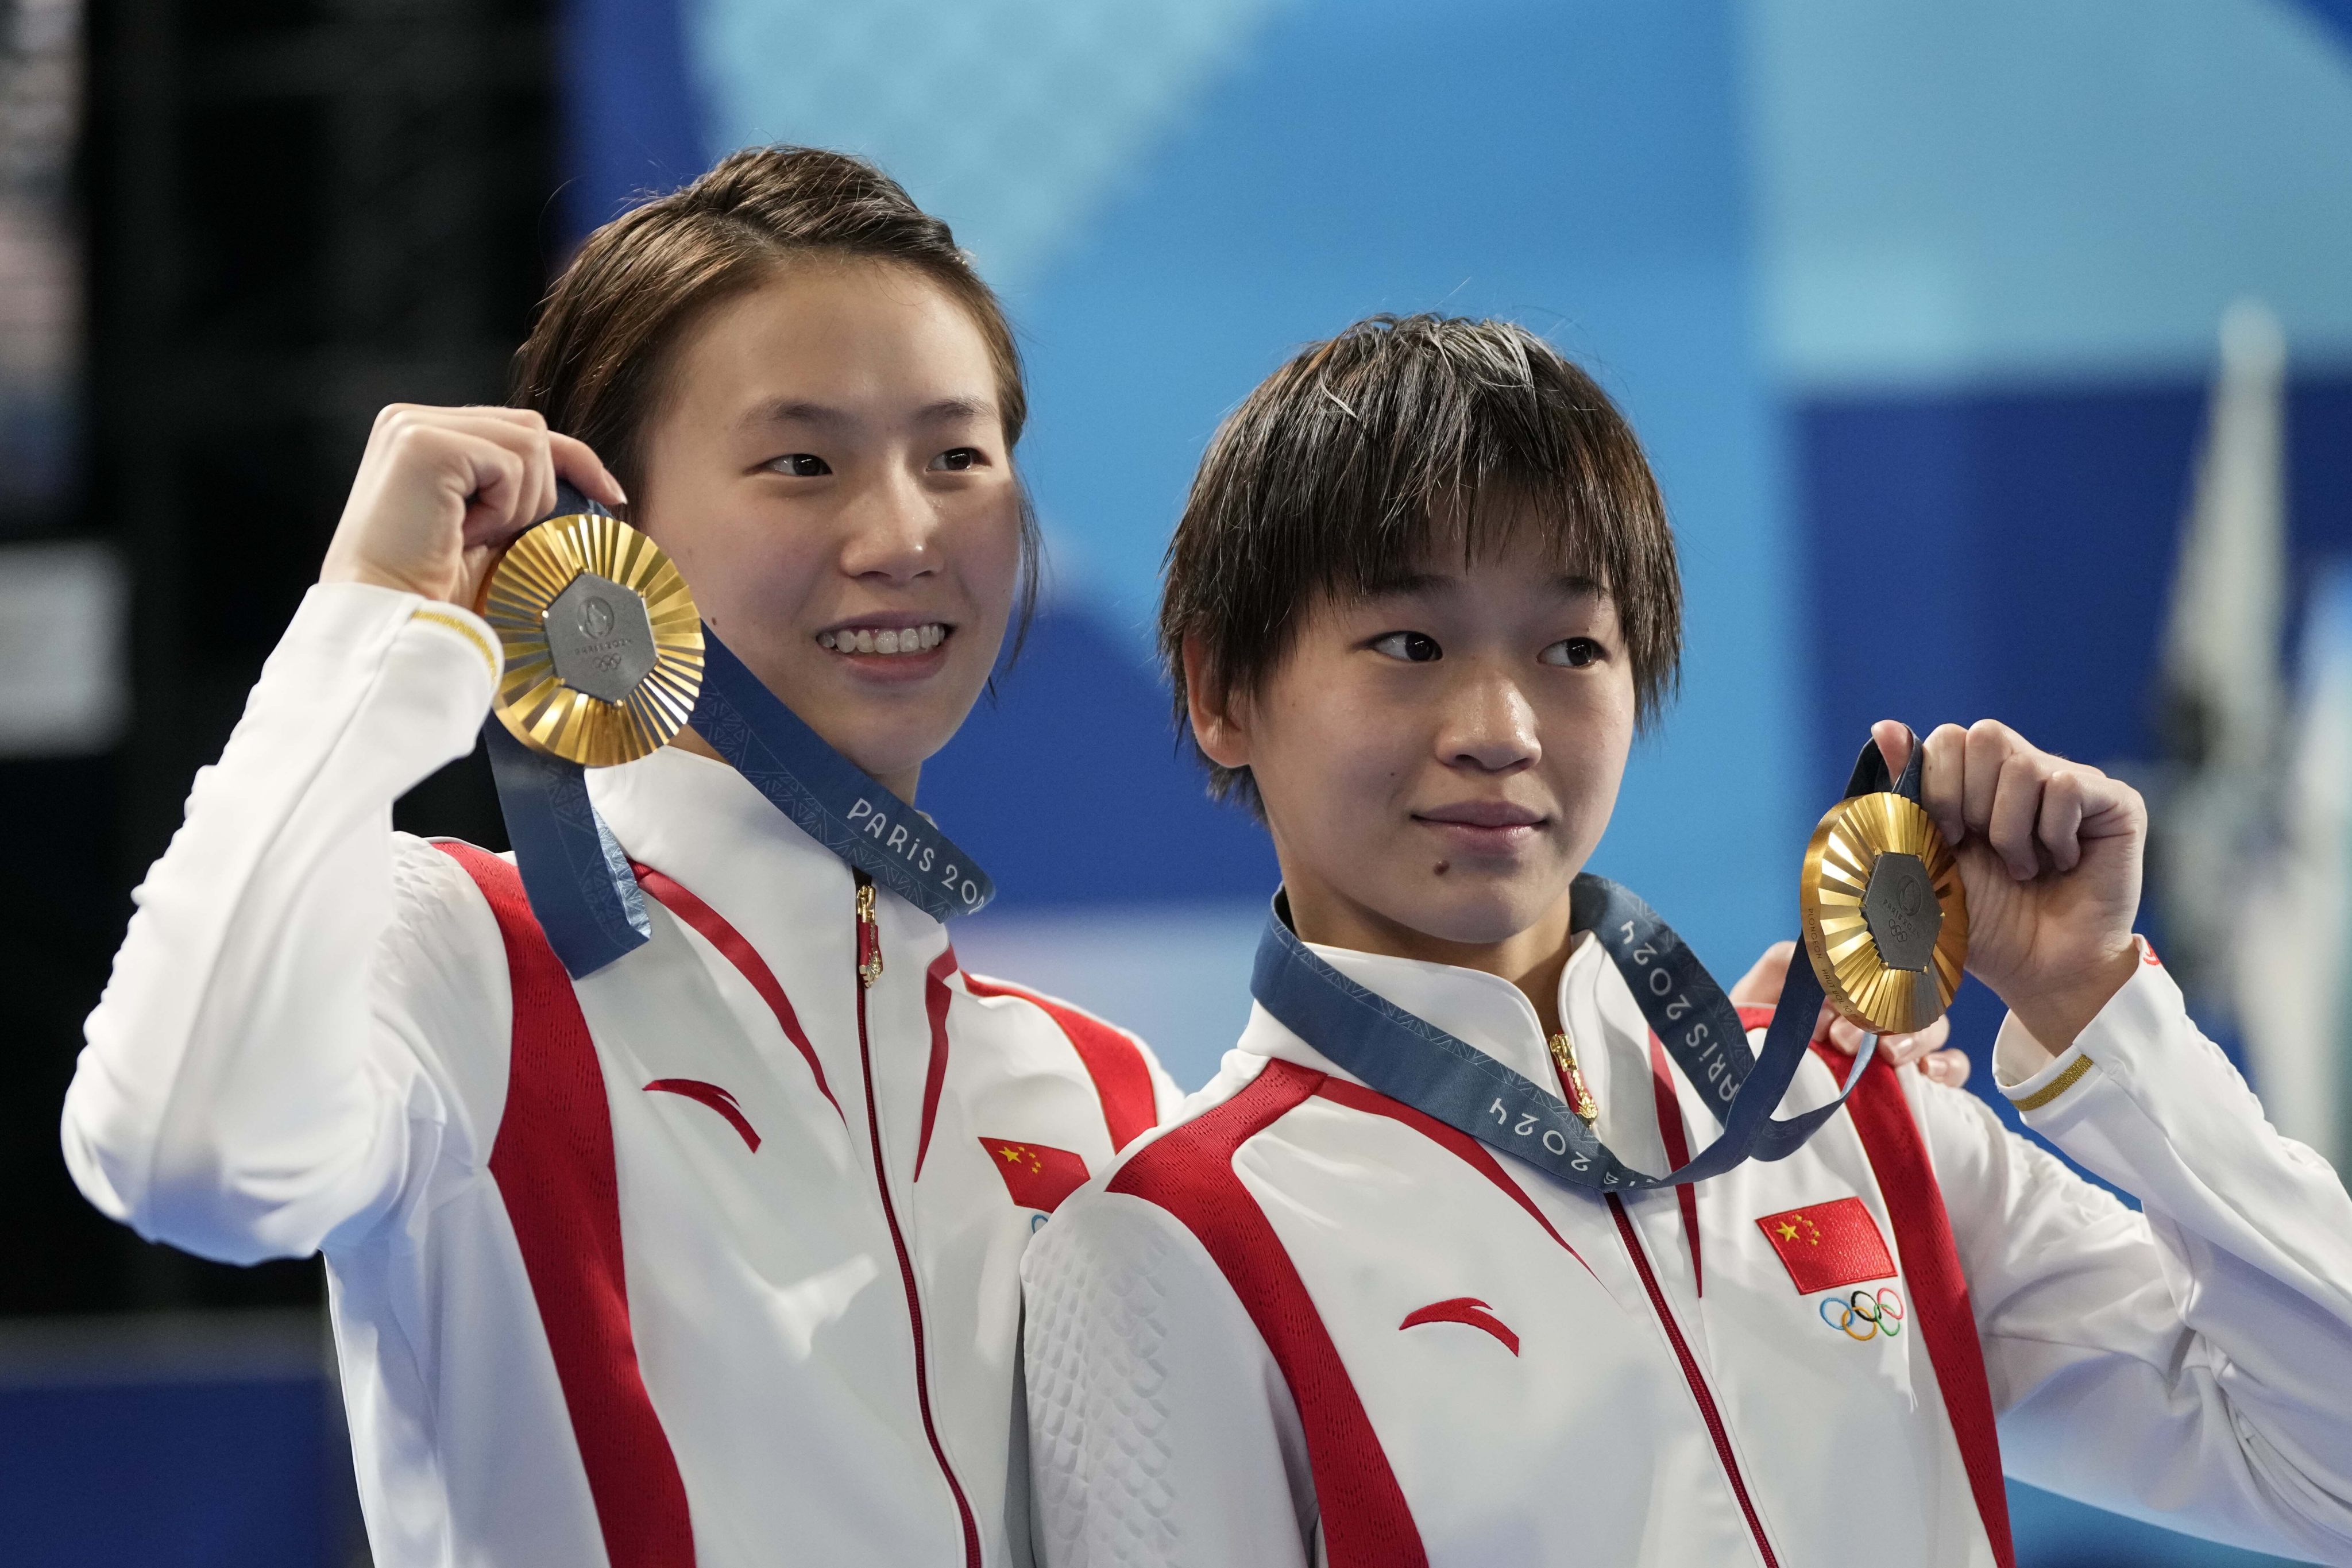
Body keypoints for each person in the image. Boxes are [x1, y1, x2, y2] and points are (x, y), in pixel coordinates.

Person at [1019, 314, 2352, 1567]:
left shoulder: (1857, 1126)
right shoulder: (1172, 1245)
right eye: (1408, 641)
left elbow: (2326, 1472)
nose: (1501, 727)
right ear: (1217, 690)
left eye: (1569, 647)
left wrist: (2096, 1008)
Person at [62, 146, 1177, 1568]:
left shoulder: (1100, 1092)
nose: (904, 533)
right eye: (802, 462)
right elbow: (182, 1153)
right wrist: (374, 628)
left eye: (957, 457)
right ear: (612, 540)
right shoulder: (463, 963)